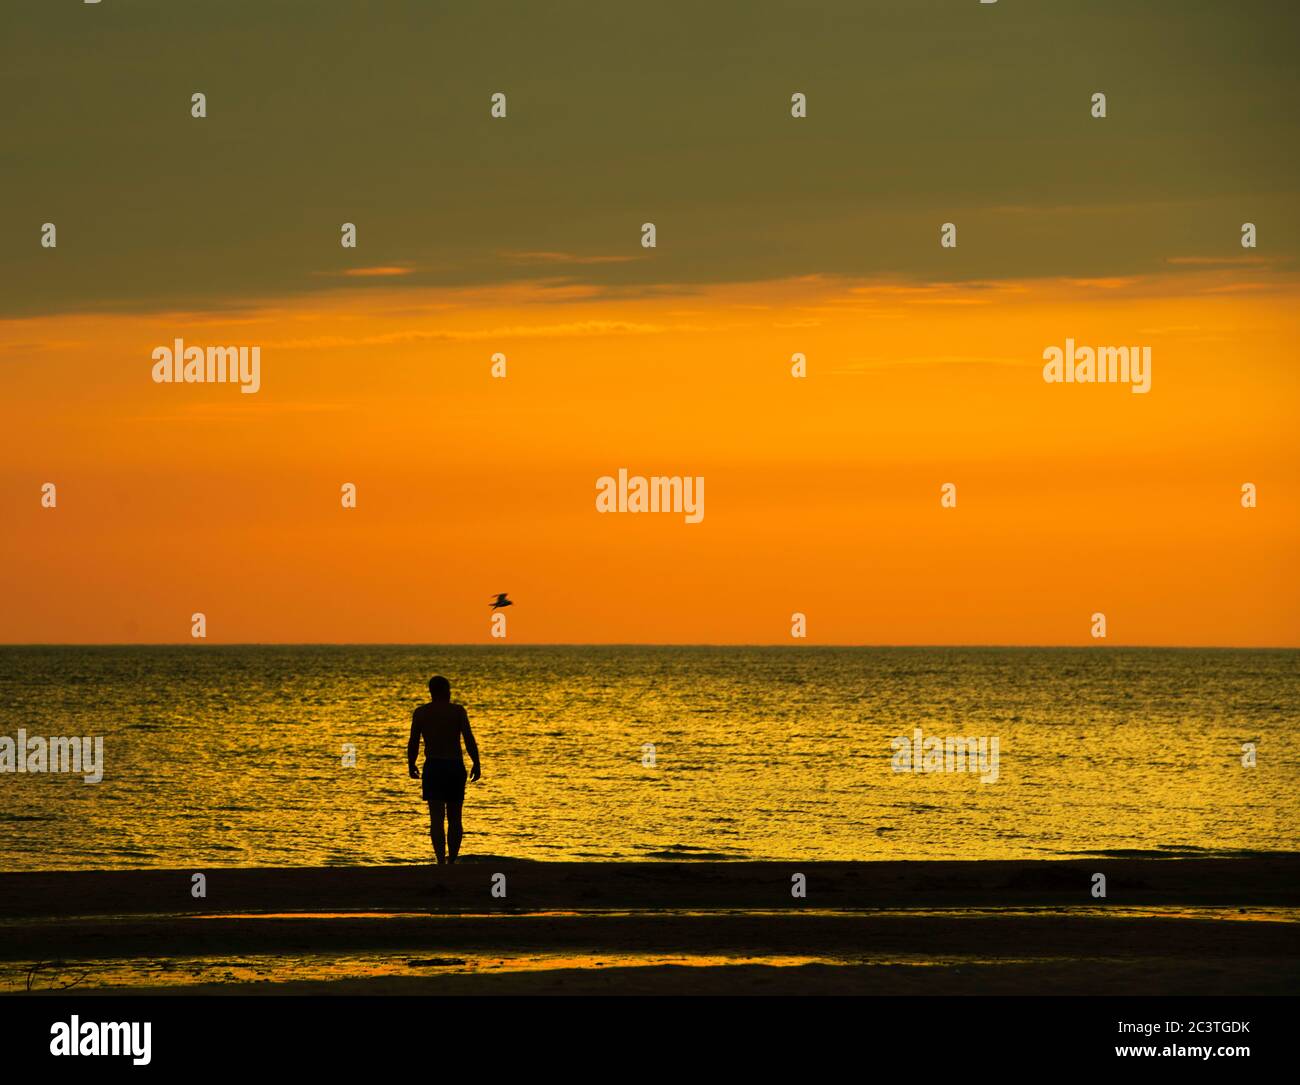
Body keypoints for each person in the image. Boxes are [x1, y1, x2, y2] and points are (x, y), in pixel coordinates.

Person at [407, 675, 481, 864]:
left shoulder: (422, 713)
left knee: (437, 818)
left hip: (434, 767)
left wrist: (411, 763)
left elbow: (413, 741)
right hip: (454, 766)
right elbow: (469, 738)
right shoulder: (457, 711)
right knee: (455, 818)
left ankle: (441, 861)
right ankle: (452, 860)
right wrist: (476, 762)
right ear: (446, 691)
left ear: (431, 692)